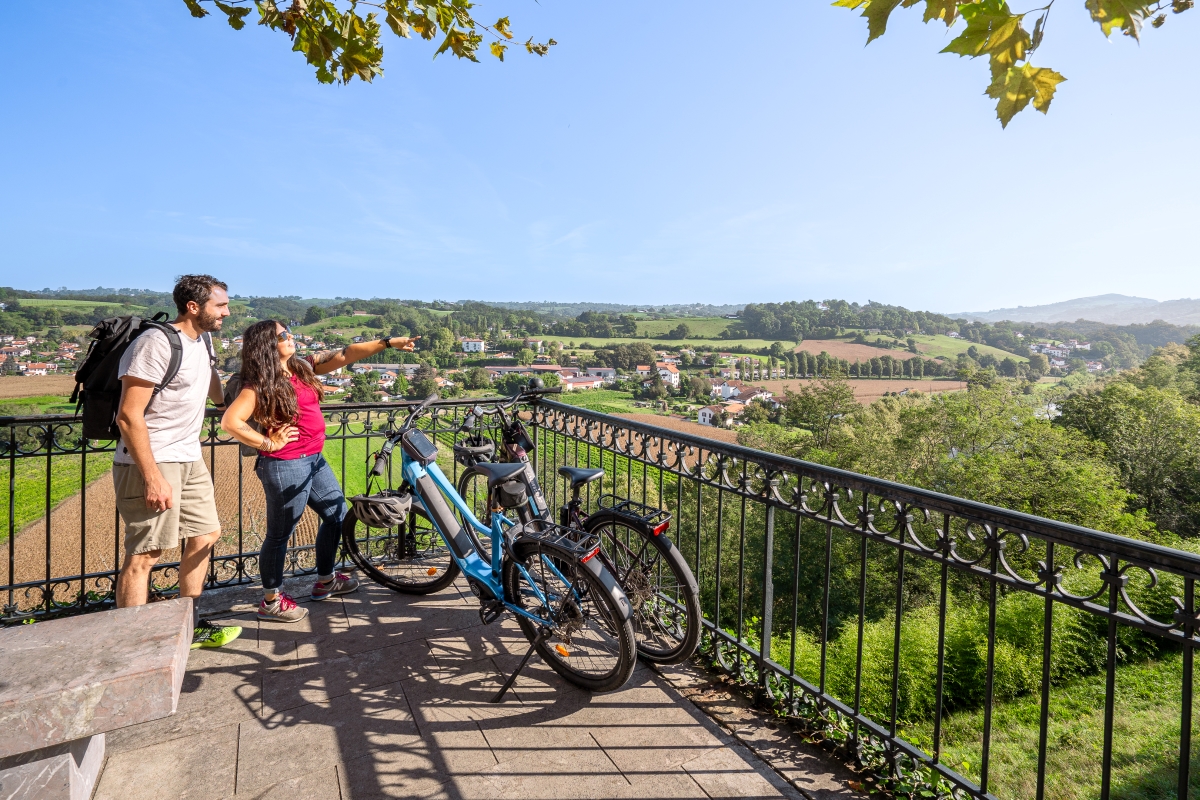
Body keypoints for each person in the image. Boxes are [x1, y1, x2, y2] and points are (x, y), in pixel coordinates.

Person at [222, 322, 418, 622]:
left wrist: (389, 343)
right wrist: (268, 444)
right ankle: (271, 601)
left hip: (313, 459)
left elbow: (345, 354)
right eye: (282, 336)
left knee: (336, 514)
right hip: (285, 464)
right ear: (266, 345)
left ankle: (326, 580)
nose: (290, 338)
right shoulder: (260, 383)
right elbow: (230, 422)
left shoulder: (301, 367)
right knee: (280, 535)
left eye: (289, 333)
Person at [114, 274, 242, 649]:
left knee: (205, 535)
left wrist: (224, 406)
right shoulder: (154, 344)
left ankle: (189, 625)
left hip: (189, 456)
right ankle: (131, 644)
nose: (227, 312)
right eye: (220, 305)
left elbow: (209, 375)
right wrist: (152, 477)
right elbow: (128, 416)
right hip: (152, 462)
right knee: (146, 554)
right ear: (193, 306)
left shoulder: (202, 338)